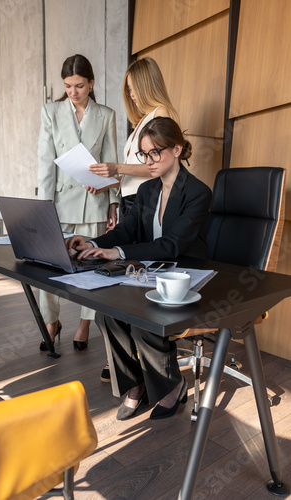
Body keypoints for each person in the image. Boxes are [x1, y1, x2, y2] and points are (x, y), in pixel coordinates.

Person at [67, 117, 212, 420]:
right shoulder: (147, 190)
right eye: (144, 154)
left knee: (143, 319)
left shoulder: (198, 192)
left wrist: (116, 252)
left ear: (177, 148)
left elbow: (172, 245)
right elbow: (125, 231)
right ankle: (136, 384)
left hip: (185, 278)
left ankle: (172, 385)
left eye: (155, 153)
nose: (149, 161)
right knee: (107, 312)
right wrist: (92, 242)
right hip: (151, 272)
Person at [37, 54, 119, 352]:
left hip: (94, 202)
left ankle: (84, 325)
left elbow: (111, 164)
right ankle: (51, 321)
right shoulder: (51, 112)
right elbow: (45, 163)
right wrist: (43, 208)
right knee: (47, 265)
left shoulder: (106, 115)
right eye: (68, 86)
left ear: (91, 83)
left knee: (93, 267)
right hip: (58, 202)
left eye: (80, 86)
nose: (73, 92)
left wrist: (112, 200)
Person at [88, 57, 180, 220]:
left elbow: (158, 166)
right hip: (130, 200)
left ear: (146, 86)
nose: (131, 95)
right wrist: (107, 184)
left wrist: (117, 168)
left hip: (144, 200)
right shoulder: (142, 121)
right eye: (128, 90)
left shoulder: (160, 113)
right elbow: (133, 176)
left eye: (133, 88)